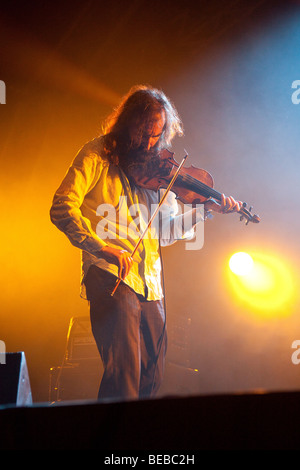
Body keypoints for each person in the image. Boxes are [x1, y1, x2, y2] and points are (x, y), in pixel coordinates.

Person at [50, 85, 242, 402]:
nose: (150, 144)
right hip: (109, 273)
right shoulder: (97, 154)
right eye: (145, 135)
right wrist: (100, 246)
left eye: (157, 136)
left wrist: (204, 210)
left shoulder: (157, 170)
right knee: (125, 370)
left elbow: (166, 231)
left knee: (152, 374)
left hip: (150, 283)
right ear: (129, 125)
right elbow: (61, 207)